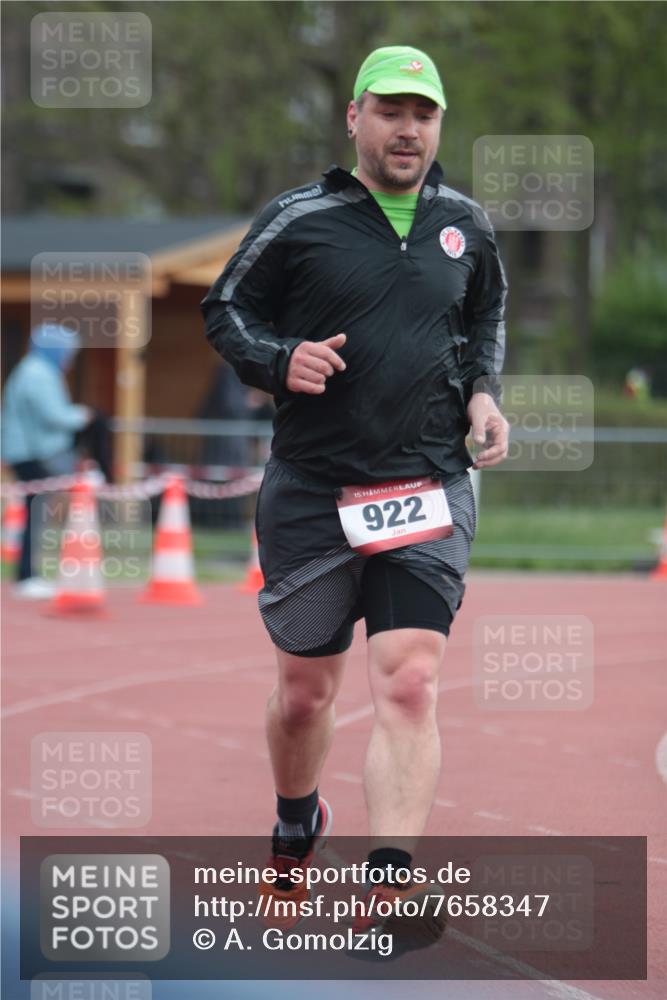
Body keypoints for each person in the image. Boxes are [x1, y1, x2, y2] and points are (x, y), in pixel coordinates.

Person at [201, 45, 509, 949]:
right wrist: (276, 360)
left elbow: (482, 318)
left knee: (409, 680)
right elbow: (225, 310)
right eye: (390, 111)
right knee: (304, 694)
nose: (407, 128)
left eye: (423, 113)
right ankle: (296, 824)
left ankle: (389, 881)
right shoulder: (300, 217)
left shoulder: (466, 224)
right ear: (355, 118)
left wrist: (484, 394)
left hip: (427, 484)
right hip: (312, 490)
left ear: (439, 125)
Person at [2, 323, 93, 597]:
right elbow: (53, 416)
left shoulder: (33, 370)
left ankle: (28, 574)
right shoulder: (38, 373)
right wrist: (82, 416)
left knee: (35, 513)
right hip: (32, 454)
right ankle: (27, 576)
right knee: (35, 513)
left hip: (27, 452)